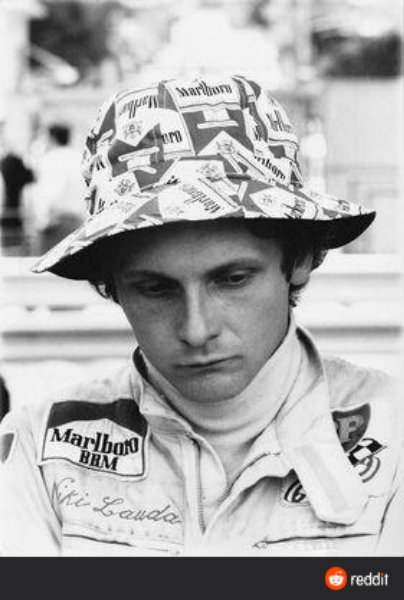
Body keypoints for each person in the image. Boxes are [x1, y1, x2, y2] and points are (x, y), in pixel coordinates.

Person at [0, 75, 402, 557]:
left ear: (298, 260)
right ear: (112, 286)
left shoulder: (393, 435)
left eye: (232, 279)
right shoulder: (40, 452)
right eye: (156, 289)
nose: (197, 329)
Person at [29, 123, 86, 254]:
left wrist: (42, 219)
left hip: (55, 224)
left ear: (52, 138)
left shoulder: (50, 158)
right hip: (78, 223)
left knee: (47, 264)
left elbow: (49, 192)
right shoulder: (79, 157)